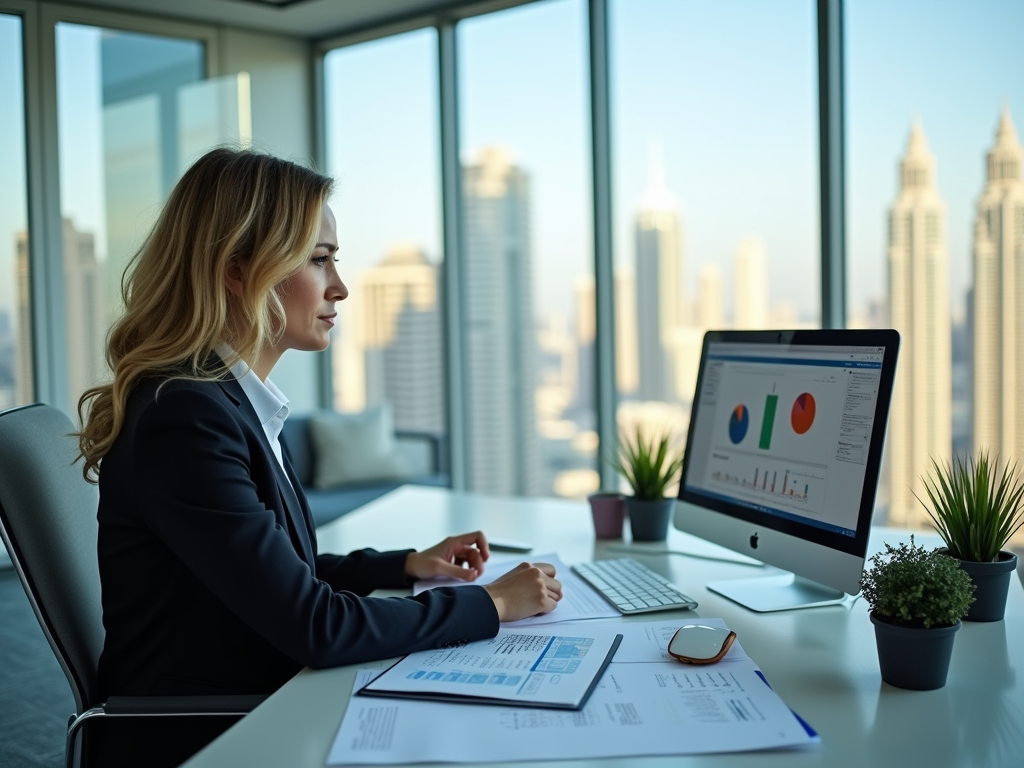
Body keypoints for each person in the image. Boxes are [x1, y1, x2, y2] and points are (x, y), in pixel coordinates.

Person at [76, 147, 562, 767]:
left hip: (259, 696)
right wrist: (494, 603)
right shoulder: (186, 417)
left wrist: (409, 564)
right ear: (237, 268)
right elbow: (315, 625)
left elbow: (278, 567)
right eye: (320, 259)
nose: (341, 286)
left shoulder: (222, 400)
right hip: (210, 734)